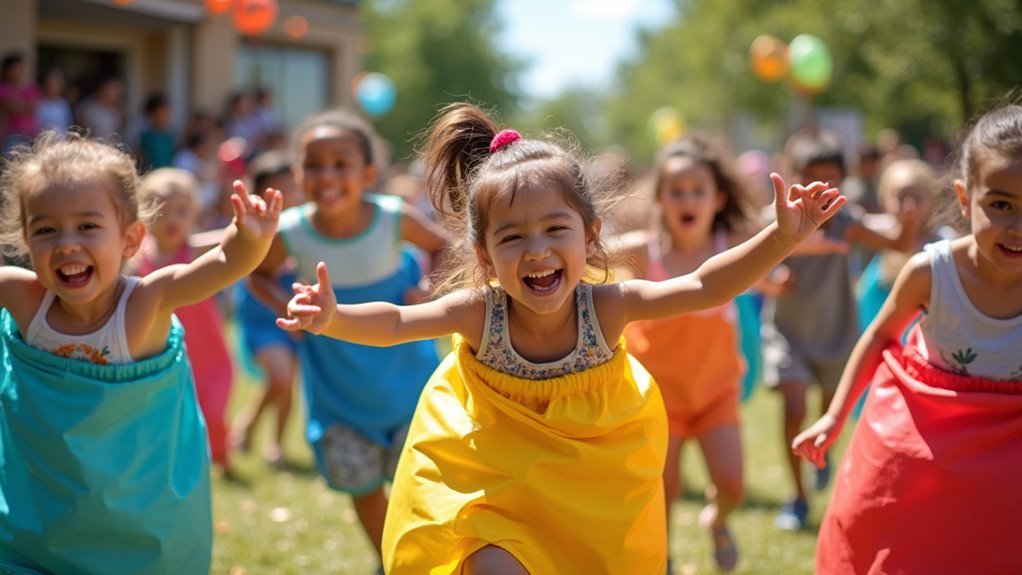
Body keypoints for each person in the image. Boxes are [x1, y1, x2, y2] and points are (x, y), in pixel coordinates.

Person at [276, 103, 847, 575]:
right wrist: (333, 317)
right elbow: (399, 324)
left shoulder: (608, 306)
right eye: (512, 236)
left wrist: (780, 239)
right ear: (484, 256)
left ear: (591, 236)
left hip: (590, 489)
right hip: (496, 486)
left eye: (556, 229)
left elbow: (702, 285)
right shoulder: (481, 312)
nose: (536, 250)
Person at [0, 131, 281, 574]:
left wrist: (249, 239)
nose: (67, 243)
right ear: (25, 240)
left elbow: (221, 266)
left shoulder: (146, 303)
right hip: (43, 515)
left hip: (135, 518)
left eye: (87, 226)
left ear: (131, 240)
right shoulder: (21, 296)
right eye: (46, 229)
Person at [792, 103, 1022, 574]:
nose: (1017, 227)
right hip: (927, 440)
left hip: (1007, 453)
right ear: (964, 198)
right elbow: (879, 339)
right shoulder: (932, 273)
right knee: (891, 534)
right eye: (1000, 204)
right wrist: (836, 416)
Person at [249, 108, 447, 567]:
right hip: (339, 392)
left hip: (408, 384)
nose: (328, 175)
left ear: (369, 173)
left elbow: (442, 246)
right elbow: (256, 276)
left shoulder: (394, 218)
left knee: (418, 482)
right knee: (361, 485)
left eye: (342, 163)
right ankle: (391, 559)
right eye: (314, 165)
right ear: (298, 174)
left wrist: (429, 287)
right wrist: (289, 310)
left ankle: (425, 557)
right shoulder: (292, 232)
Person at [612, 135, 760, 572]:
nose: (687, 199)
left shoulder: (729, 246)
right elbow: (584, 251)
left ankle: (718, 519)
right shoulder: (645, 250)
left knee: (732, 484)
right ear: (660, 199)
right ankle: (665, 557)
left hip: (716, 394)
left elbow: (782, 240)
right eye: (676, 191)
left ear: (718, 199)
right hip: (659, 400)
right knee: (664, 490)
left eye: (698, 190)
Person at [763, 127, 918, 531]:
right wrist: (770, 281)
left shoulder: (845, 220)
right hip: (789, 333)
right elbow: (744, 268)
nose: (821, 186)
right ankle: (797, 498)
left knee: (828, 409)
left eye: (831, 177)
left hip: (835, 332)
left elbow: (898, 244)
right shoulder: (778, 219)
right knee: (794, 406)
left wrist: (906, 218)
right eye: (811, 176)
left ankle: (822, 454)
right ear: (792, 176)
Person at [132, 167, 237, 478]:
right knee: (173, 416)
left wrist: (251, 224)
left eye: (182, 211)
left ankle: (222, 457)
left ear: (194, 214)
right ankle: (182, 468)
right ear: (145, 213)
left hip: (209, 352)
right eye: (163, 210)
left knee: (214, 411)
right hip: (162, 350)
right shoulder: (137, 258)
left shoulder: (194, 249)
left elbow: (237, 238)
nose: (173, 219)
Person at [231, 151, 303, 468]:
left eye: (292, 187)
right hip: (263, 316)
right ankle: (249, 427)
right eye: (278, 190)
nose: (287, 197)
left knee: (286, 382)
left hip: (296, 316)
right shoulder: (254, 226)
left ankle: (275, 444)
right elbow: (250, 276)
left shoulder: (303, 227)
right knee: (282, 377)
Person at [0, 52, 40, 155]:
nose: (19, 71)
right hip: (9, 137)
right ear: (6, 70)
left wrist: (18, 105)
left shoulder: (31, 88)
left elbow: (34, 108)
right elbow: (12, 107)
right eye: (15, 68)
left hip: (30, 135)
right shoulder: (3, 88)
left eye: (20, 68)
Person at [136, 92, 176, 171]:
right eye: (162, 112)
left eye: (167, 112)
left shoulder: (170, 137)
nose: (167, 116)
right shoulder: (144, 138)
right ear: (152, 114)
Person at [35, 68, 72, 135]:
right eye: (51, 82)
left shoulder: (64, 104)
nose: (54, 86)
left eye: (57, 82)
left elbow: (67, 127)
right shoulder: (38, 103)